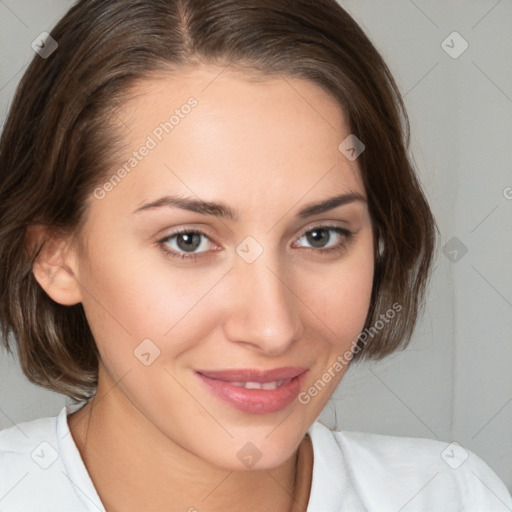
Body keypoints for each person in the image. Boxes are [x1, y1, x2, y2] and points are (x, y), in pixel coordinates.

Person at [0, 0, 510, 510]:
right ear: (54, 256)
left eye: (320, 236)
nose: (273, 329)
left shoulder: (450, 494)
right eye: (188, 240)